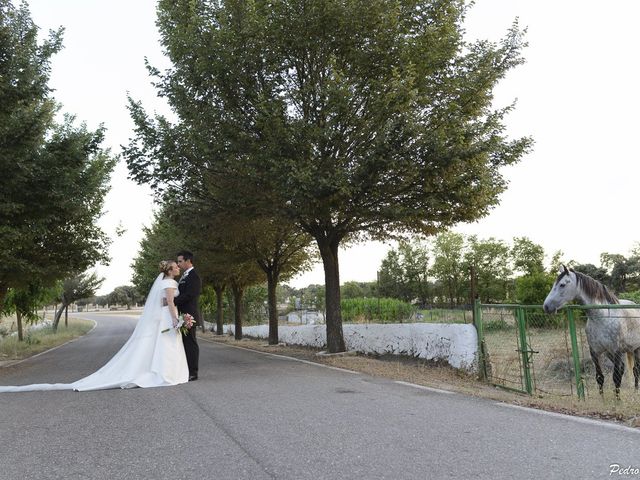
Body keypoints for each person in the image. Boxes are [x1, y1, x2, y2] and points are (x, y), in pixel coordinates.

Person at [0, 261, 189, 392]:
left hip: (163, 316)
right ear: (170, 271)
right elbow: (170, 302)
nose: (178, 269)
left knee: (162, 344)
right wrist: (175, 319)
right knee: (166, 344)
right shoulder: (170, 282)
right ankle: (166, 374)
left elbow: (164, 301)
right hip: (166, 317)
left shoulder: (164, 281)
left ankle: (165, 372)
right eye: (175, 267)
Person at [174, 250, 201, 381]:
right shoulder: (184, 276)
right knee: (185, 343)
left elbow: (190, 294)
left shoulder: (194, 276)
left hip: (189, 315)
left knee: (190, 343)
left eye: (180, 261)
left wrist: (173, 301)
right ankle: (186, 370)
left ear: (188, 261)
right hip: (182, 314)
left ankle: (193, 372)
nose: (178, 264)